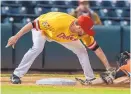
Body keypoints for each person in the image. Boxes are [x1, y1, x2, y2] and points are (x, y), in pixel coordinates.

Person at [6, 12, 112, 84]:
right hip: (44, 30)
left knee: (81, 50)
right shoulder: (57, 22)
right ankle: (16, 75)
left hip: (61, 36)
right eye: (86, 30)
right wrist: (16, 36)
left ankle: (90, 78)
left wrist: (108, 67)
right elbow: (33, 24)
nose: (87, 33)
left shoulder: (83, 33)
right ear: (79, 27)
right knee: (37, 48)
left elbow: (97, 49)